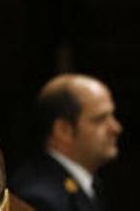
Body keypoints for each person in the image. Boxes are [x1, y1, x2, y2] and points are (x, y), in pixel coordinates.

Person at [9, 74, 122, 211]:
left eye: (111, 116)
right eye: (100, 119)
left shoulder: (90, 184)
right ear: (63, 130)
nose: (116, 128)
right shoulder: (40, 198)